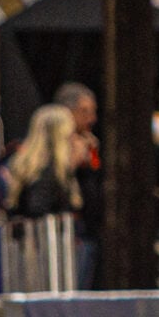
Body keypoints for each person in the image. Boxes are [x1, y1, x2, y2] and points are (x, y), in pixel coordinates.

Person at [5, 105, 83, 291]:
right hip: (47, 257)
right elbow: (37, 208)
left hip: (29, 253)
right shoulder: (49, 172)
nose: (74, 139)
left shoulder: (30, 168)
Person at [57, 83, 104, 291]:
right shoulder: (58, 146)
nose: (91, 119)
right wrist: (74, 160)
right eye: (84, 111)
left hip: (90, 230)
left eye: (93, 112)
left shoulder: (90, 144)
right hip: (69, 232)